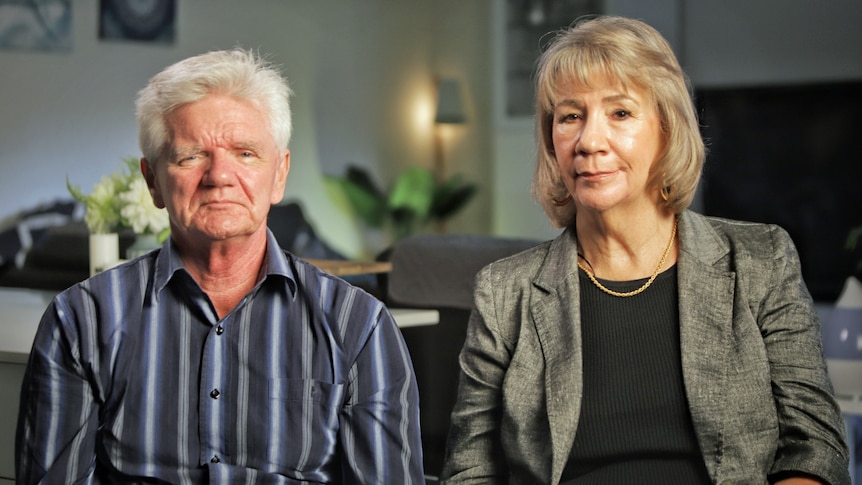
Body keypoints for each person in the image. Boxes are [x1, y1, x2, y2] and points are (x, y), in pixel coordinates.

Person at [440, 16, 850, 485]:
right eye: (571, 116)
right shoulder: (503, 291)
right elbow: (469, 470)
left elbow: (815, 448)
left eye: (620, 113)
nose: (589, 142)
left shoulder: (762, 259)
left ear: (667, 128)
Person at [16, 48, 424, 484]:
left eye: (246, 153)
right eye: (191, 156)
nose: (219, 176)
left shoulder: (359, 327)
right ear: (153, 180)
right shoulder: (80, 320)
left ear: (279, 175)